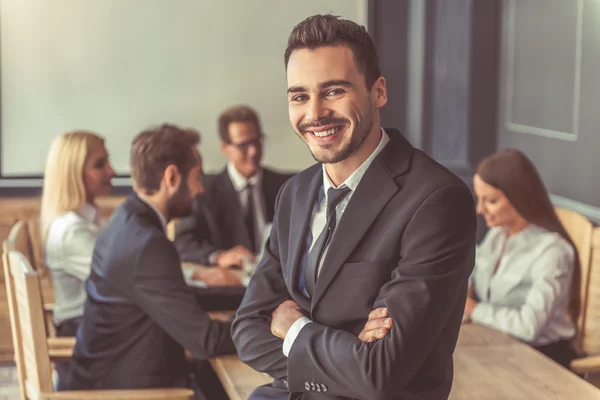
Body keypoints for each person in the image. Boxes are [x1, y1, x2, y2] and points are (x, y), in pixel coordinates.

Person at [231, 14, 477, 400]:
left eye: (333, 91)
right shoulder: (294, 193)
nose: (314, 113)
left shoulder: (437, 201)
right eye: (299, 96)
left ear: (378, 91)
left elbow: (380, 373)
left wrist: (294, 328)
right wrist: (345, 353)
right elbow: (247, 328)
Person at [64, 124, 236, 399]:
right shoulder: (146, 245)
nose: (201, 189)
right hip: (126, 392)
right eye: (197, 177)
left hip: (116, 379)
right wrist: (266, 324)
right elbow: (206, 340)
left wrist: (244, 301)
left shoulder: (127, 219)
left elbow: (175, 296)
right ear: (172, 177)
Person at [464, 149, 579, 368]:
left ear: (519, 196)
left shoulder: (553, 251)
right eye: (479, 199)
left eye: (491, 201)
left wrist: (474, 310)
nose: (480, 209)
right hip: (498, 345)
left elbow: (529, 327)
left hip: (544, 359)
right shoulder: (497, 235)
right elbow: (470, 275)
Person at [174, 105, 292, 268]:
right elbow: (183, 245)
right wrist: (218, 256)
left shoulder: (286, 187)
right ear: (225, 147)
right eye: (243, 145)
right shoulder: (204, 192)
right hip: (230, 286)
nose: (253, 151)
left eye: (257, 140)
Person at [40, 131, 115, 386]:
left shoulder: (87, 221)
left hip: (89, 335)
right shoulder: (72, 230)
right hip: (84, 348)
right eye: (100, 165)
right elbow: (122, 281)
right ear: (72, 172)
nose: (112, 171)